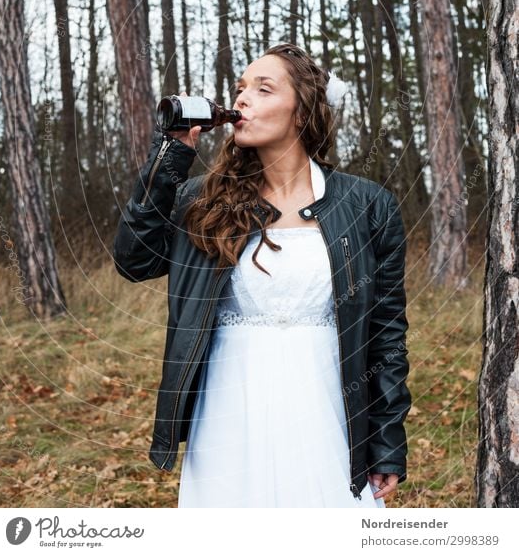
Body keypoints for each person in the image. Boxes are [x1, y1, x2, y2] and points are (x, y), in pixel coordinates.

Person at [113, 43, 411, 508]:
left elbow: (387, 332)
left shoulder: (367, 206)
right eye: (240, 88)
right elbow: (134, 260)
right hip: (228, 405)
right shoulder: (204, 201)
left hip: (328, 405)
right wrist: (169, 157)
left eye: (263, 88)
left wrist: (386, 439)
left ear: (302, 111)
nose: (243, 99)